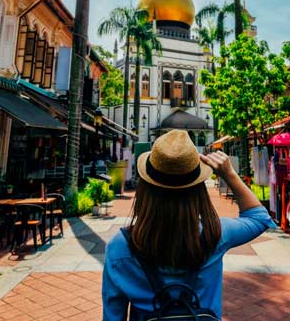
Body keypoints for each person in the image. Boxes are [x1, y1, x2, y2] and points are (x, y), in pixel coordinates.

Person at [102, 130, 274, 320]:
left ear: (145, 189)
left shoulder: (121, 246)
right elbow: (259, 218)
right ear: (198, 190)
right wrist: (229, 173)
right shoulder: (215, 235)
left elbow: (113, 316)